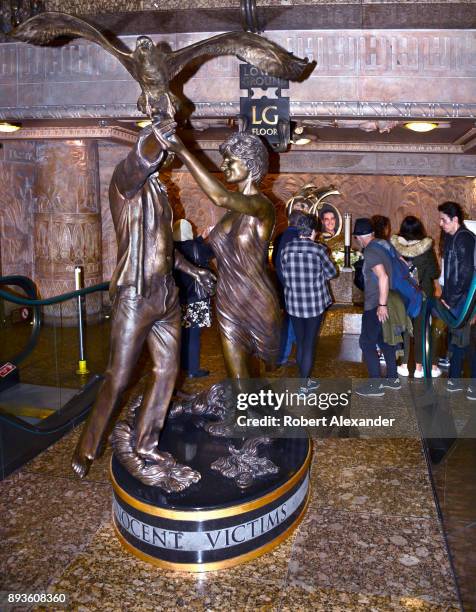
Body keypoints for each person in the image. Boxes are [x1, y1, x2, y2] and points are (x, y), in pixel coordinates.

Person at [71, 125, 215, 478]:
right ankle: (87, 446)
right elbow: (140, 157)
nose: (161, 159)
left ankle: (146, 444)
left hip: (165, 295)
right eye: (159, 154)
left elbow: (164, 248)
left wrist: (193, 271)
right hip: (134, 295)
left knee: (167, 371)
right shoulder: (124, 185)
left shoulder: (162, 195)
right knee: (118, 377)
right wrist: (158, 133)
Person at [155, 122, 281, 379]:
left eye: (230, 161)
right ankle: (243, 416)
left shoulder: (262, 206)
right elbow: (202, 251)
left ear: (250, 164)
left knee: (258, 372)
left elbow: (220, 197)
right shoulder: (229, 216)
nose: (224, 166)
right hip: (226, 298)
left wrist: (183, 151)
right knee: (237, 377)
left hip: (254, 296)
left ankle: (256, 413)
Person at [280, 214, 337, 392]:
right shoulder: (318, 250)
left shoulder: (287, 249)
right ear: (313, 231)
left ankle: (305, 380)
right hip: (313, 305)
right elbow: (332, 273)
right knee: (309, 344)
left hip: (294, 304)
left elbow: (283, 270)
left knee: (301, 341)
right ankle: (304, 386)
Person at [353, 218, 401, 396]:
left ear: (358, 237)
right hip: (389, 300)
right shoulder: (385, 245)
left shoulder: (371, 250)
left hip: (376, 303)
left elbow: (383, 277)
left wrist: (381, 305)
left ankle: (375, 385)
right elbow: (404, 263)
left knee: (366, 342)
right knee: (384, 339)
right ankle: (392, 379)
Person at [391, 216, 442, 378]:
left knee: (405, 328)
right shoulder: (426, 248)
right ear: (420, 229)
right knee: (423, 329)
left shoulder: (395, 247)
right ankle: (421, 368)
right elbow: (435, 273)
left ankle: (404, 365)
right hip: (423, 295)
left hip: (402, 294)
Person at [438, 201, 476, 396]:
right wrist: (447, 296)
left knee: (468, 341)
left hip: (466, 299)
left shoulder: (464, 239)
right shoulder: (454, 238)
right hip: (458, 298)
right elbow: (452, 274)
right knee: (458, 339)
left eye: (444, 220)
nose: (440, 223)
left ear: (455, 219)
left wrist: (451, 299)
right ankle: (454, 379)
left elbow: (466, 274)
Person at [173, 219, 214, 378]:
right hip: (196, 299)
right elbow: (211, 252)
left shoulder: (172, 250)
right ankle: (193, 370)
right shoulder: (198, 248)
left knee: (182, 334)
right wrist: (203, 239)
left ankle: (183, 366)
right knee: (194, 336)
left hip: (178, 298)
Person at [272, 209, 308, 366]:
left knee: (290, 320)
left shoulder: (283, 236)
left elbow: (275, 261)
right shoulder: (294, 237)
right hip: (291, 287)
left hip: (285, 285)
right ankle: (282, 356)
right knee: (289, 322)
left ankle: (286, 354)